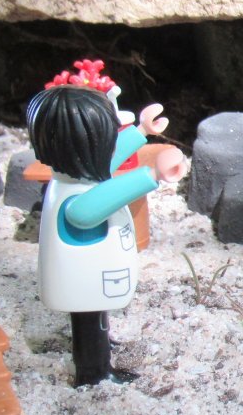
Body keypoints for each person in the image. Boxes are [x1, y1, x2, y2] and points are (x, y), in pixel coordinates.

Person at [27, 85, 186, 386]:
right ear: (82, 146)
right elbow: (102, 200)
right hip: (82, 281)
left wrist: (142, 130)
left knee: (96, 320)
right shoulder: (75, 199)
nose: (109, 144)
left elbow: (106, 160)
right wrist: (153, 174)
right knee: (89, 325)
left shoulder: (78, 173)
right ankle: (94, 371)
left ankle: (101, 351)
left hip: (89, 278)